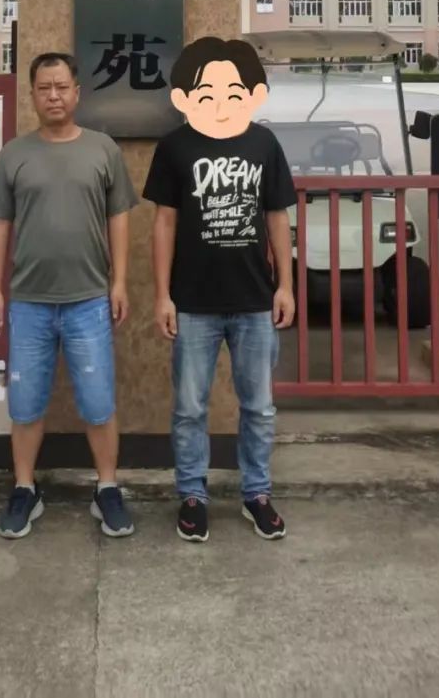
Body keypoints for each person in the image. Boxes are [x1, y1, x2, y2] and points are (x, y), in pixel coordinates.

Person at [144, 36, 296, 543]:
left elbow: (277, 217)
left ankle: (257, 494)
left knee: (259, 407)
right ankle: (192, 495)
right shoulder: (175, 146)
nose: (221, 101)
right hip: (193, 304)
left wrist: (285, 286)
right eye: (207, 92)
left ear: (251, 93)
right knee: (190, 408)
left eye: (233, 91)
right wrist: (162, 295)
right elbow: (164, 223)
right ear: (186, 96)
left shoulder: (264, 144)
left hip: (254, 300)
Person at [0, 52, 137, 540]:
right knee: (25, 403)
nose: (53, 96)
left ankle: (107, 488)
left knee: (98, 402)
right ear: (32, 95)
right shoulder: (14, 154)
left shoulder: (102, 149)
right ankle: (24, 488)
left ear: (77, 92)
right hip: (29, 302)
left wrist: (118, 282)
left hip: (89, 300)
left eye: (61, 87)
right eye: (44, 88)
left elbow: (119, 218)